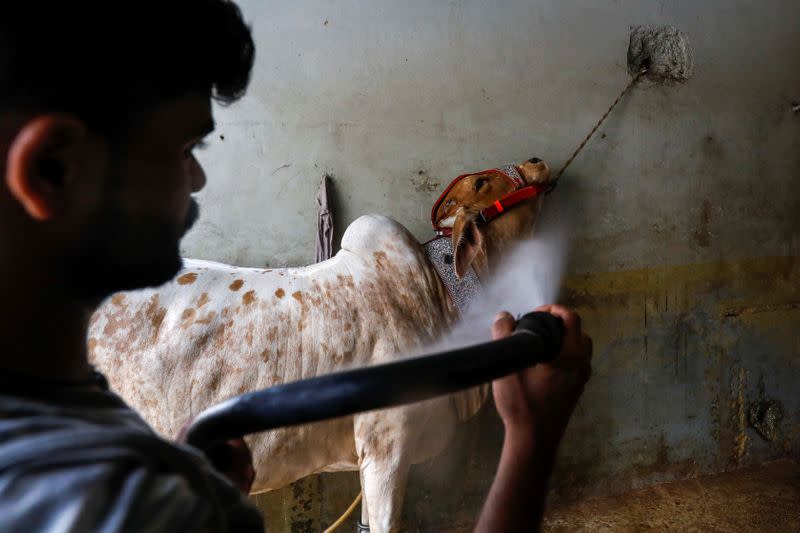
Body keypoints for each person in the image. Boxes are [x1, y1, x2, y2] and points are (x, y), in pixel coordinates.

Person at [0, 1, 592, 532]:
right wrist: (531, 441)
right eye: (184, 151)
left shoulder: (70, 437)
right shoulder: (124, 503)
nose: (200, 179)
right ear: (50, 169)